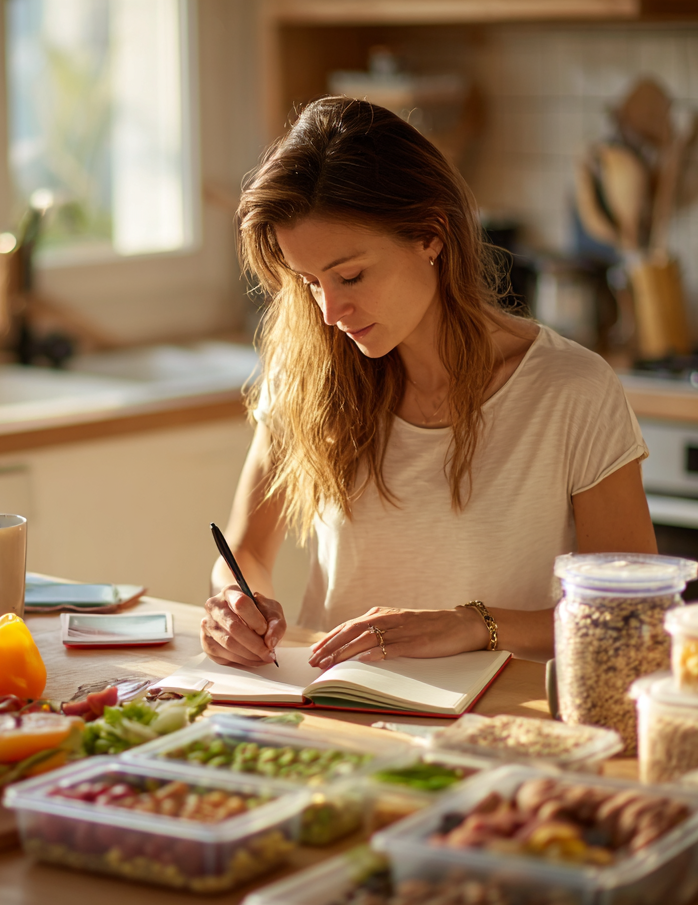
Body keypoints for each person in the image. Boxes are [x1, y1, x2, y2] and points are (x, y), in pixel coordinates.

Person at [202, 96, 657, 671]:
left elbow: (634, 615)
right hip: (342, 714)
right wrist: (235, 603)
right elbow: (244, 551)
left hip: (501, 725)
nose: (329, 312)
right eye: (310, 282)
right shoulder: (307, 371)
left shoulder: (572, 391)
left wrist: (475, 625)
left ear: (430, 233)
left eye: (350, 275)